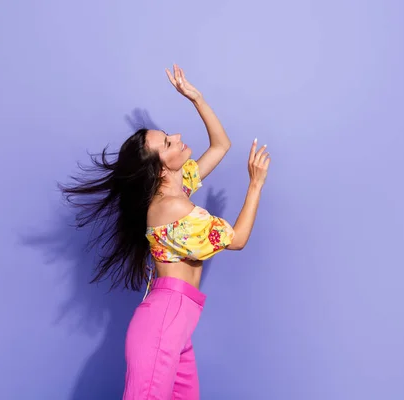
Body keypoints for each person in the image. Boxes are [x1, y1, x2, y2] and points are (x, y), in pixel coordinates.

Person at [61, 64, 270, 399]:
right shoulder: (169, 208)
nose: (178, 137)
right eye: (169, 143)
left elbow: (220, 146)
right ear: (159, 169)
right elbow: (239, 239)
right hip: (163, 324)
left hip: (176, 328)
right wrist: (256, 186)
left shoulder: (177, 192)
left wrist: (196, 97)